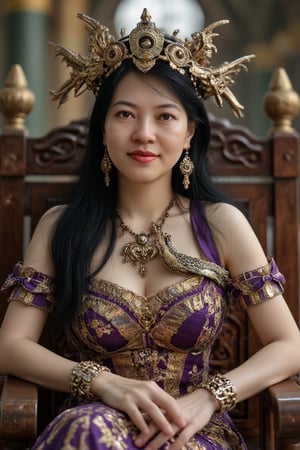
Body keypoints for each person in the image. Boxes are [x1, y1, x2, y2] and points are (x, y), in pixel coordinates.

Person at [0, 8, 300, 450]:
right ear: (102, 129)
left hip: (192, 432)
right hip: (92, 426)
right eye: (124, 114)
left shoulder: (221, 224)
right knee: (89, 433)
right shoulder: (61, 225)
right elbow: (11, 344)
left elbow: (288, 343)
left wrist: (208, 398)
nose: (144, 133)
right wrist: (104, 384)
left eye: (165, 116)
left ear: (189, 133)